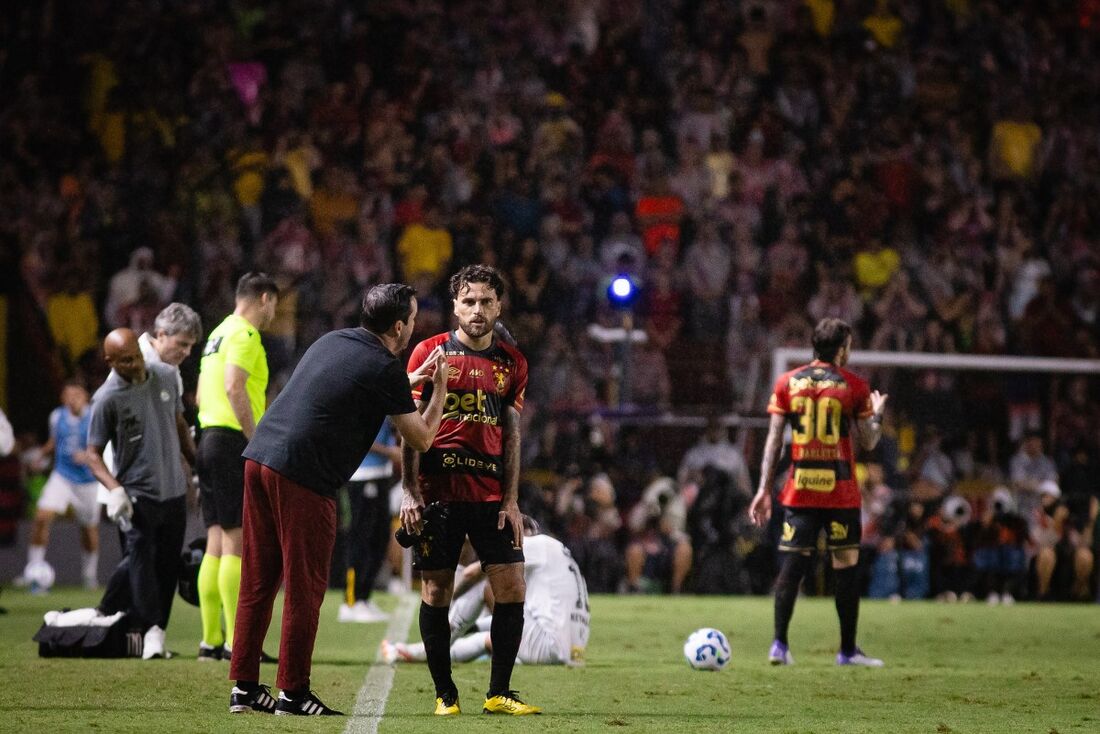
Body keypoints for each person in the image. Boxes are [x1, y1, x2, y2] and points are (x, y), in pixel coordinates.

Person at [227, 283, 448, 716]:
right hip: (303, 474)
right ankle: (293, 693)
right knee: (305, 587)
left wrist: (409, 380)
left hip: (259, 458)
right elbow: (421, 438)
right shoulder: (385, 367)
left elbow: (350, 385)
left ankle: (245, 688)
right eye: (413, 319)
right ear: (399, 327)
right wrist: (438, 388)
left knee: (258, 579)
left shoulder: (334, 340)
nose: (414, 326)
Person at [401, 263, 540, 716]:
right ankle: (445, 694)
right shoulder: (429, 351)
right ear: (455, 306)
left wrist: (512, 500)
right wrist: (409, 491)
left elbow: (512, 434)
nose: (478, 310)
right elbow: (409, 427)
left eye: (486, 302)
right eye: (469, 301)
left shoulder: (512, 363)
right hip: (437, 493)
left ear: (499, 306)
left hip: (490, 497)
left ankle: (499, 692)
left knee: (512, 587)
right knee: (436, 592)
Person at [749, 317, 888, 667]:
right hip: (840, 491)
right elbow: (869, 441)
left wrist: (763, 489)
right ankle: (847, 651)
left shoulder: (787, 382)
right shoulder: (854, 385)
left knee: (793, 566)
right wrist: (877, 415)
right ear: (842, 348)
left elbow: (774, 441)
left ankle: (779, 646)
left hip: (801, 489)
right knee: (845, 568)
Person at [85, 329, 197, 660]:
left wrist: (197, 466)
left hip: (173, 490)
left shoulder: (165, 375)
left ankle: (152, 628)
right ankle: (148, 630)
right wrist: (114, 489)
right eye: (125, 361)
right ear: (110, 362)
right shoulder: (107, 398)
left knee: (167, 564)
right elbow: (93, 454)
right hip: (137, 495)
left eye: (136, 356)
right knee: (141, 559)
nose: (135, 364)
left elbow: (179, 424)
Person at [195, 273, 279, 662]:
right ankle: (237, 642)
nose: (273, 313)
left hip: (208, 437)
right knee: (235, 539)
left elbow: (200, 395)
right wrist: (255, 439)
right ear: (264, 298)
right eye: (274, 304)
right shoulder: (245, 335)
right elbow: (234, 386)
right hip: (231, 441)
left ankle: (210, 640)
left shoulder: (216, 334)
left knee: (215, 538)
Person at [381, 517, 589, 667]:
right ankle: (415, 652)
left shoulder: (532, 545)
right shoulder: (554, 549)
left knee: (487, 582)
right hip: (573, 653)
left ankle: (430, 648)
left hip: (549, 647)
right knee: (493, 635)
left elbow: (472, 574)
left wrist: (442, 602)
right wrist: (474, 626)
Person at [21, 382, 100, 591]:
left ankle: (89, 576)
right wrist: (40, 454)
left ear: (85, 397)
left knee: (89, 529)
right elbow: (54, 441)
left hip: (88, 481)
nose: (72, 399)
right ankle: (33, 570)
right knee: (41, 517)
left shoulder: (95, 416)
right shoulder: (57, 416)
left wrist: (88, 456)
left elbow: (106, 444)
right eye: (67, 395)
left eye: (76, 395)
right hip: (62, 476)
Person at [337, 418, 400, 624]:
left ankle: (364, 597)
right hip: (361, 474)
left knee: (380, 539)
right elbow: (355, 436)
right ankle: (350, 601)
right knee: (359, 539)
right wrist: (389, 452)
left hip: (382, 473)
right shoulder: (358, 403)